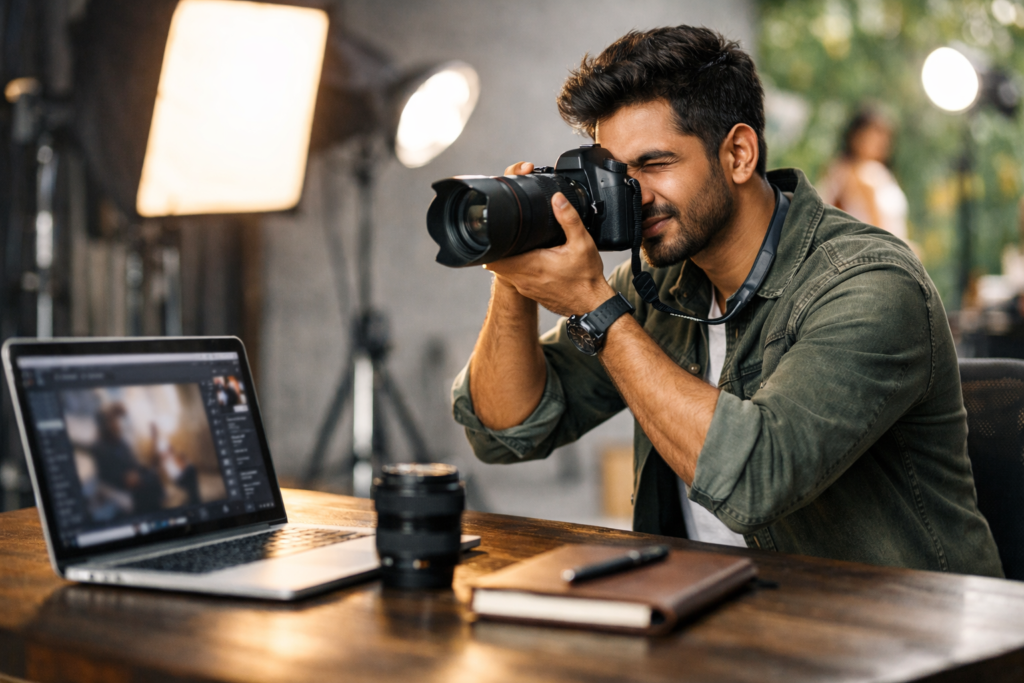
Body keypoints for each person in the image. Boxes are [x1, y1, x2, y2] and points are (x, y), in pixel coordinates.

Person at [450, 26, 1003, 576]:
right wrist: (515, 270)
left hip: (901, 638)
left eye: (654, 164)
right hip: (716, 613)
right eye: (618, 173)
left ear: (738, 154)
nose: (631, 196)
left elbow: (758, 477)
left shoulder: (868, 283)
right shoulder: (654, 287)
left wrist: (593, 306)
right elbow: (506, 431)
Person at [818, 107, 910, 243]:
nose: (882, 141)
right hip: (873, 252)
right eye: (875, 133)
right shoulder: (850, 172)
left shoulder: (880, 172)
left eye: (885, 134)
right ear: (856, 136)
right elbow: (878, 230)